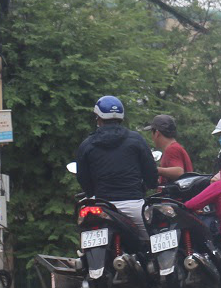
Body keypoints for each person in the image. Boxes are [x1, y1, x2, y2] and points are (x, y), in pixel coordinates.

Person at [75, 95, 157, 243]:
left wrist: (92, 193)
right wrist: (145, 187)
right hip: (133, 205)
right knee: (153, 244)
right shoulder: (136, 140)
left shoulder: (87, 145)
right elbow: (151, 173)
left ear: (98, 118)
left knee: (85, 241)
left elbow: (82, 177)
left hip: (101, 206)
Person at [143, 113, 192, 185]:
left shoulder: (172, 149)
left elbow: (179, 172)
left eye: (151, 133)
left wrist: (153, 169)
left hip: (176, 196)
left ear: (157, 133)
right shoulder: (175, 148)